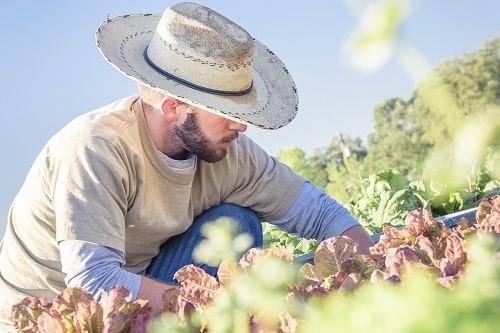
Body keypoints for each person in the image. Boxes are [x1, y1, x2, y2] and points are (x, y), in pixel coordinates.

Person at [0, 1, 373, 328]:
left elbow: (318, 213)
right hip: (56, 313)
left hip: (136, 286)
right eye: (225, 113)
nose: (240, 125)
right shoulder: (97, 149)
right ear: (174, 108)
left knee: (234, 222)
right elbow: (94, 283)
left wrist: (378, 268)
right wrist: (220, 309)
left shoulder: (229, 150)